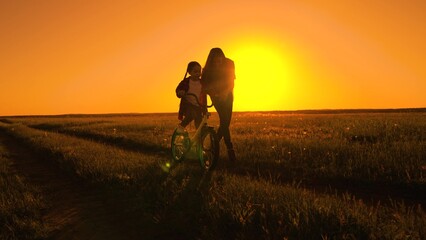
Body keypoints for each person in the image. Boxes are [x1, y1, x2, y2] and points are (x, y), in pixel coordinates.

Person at [201, 48, 236, 162]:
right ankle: (230, 148)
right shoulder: (207, 70)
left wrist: (225, 93)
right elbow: (205, 87)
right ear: (211, 60)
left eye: (219, 60)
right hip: (215, 96)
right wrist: (214, 94)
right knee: (224, 120)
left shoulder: (230, 63)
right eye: (215, 61)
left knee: (226, 122)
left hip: (228, 94)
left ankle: (214, 144)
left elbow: (231, 82)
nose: (217, 62)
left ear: (223, 57)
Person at [175, 61, 206, 132]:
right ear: (189, 72)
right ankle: (181, 126)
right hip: (187, 105)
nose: (198, 74)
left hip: (198, 105)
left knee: (199, 124)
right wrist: (180, 92)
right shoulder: (186, 82)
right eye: (195, 71)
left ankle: (197, 139)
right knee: (191, 115)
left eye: (199, 71)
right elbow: (178, 89)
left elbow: (208, 90)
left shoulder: (202, 82)